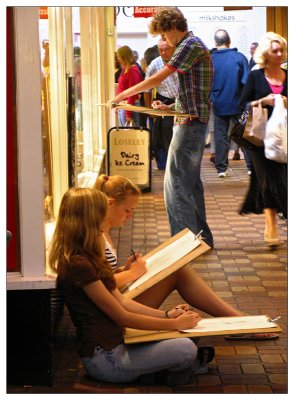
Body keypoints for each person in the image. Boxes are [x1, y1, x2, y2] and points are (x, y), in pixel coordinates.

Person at [48, 187, 214, 385]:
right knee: (185, 347)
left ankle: (168, 371)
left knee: (187, 338)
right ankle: (163, 374)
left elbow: (122, 301)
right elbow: (121, 315)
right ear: (91, 218)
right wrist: (174, 325)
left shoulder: (92, 255)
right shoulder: (78, 264)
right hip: (106, 359)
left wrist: (167, 316)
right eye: (103, 213)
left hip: (119, 343)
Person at [93, 174, 279, 341]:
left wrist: (123, 270)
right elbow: (100, 285)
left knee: (179, 270)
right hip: (112, 311)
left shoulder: (104, 232)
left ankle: (239, 321)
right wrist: (134, 274)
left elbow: (103, 275)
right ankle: (240, 322)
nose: (130, 216)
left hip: (115, 302)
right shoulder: (97, 236)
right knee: (179, 273)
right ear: (110, 204)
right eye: (127, 210)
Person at [110, 7, 214, 248]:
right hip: (190, 119)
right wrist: (170, 108)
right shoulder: (192, 44)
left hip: (190, 123)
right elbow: (194, 89)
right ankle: (201, 239)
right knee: (189, 184)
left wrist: (122, 95)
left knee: (175, 185)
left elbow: (158, 78)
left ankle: (182, 246)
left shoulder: (189, 44)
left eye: (164, 35)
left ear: (171, 27)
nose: (164, 41)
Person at [239, 32, 287, 247]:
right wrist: (262, 101)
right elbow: (243, 102)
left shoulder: (288, 75)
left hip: (284, 137)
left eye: (282, 50)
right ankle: (271, 226)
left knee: (282, 181)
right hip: (260, 137)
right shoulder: (256, 76)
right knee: (267, 180)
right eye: (275, 50)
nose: (279, 54)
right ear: (265, 54)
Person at [211, 29, 249, 178]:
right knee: (244, 135)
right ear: (229, 41)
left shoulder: (210, 59)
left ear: (215, 42)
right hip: (237, 103)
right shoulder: (239, 57)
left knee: (220, 137)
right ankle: (250, 167)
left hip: (218, 104)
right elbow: (245, 82)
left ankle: (221, 169)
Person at [144, 39, 179, 170]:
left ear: (174, 48)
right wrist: (149, 111)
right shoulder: (155, 64)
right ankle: (166, 165)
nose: (163, 53)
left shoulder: (181, 61)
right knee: (164, 137)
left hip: (181, 103)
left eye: (167, 49)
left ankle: (176, 164)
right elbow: (146, 89)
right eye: (161, 50)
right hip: (163, 102)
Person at [116, 45, 144, 126]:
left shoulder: (133, 71)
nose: (118, 60)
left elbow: (132, 92)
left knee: (131, 134)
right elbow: (120, 87)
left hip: (130, 106)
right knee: (124, 133)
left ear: (125, 57)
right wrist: (117, 104)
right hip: (123, 105)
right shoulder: (125, 68)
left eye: (120, 58)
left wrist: (128, 113)